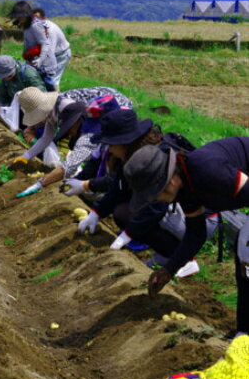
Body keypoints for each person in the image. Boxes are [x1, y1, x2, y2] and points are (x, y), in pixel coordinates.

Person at [63, 109, 218, 270]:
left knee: (131, 214)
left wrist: (126, 236)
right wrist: (96, 213)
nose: (109, 150)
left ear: (124, 142)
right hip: (176, 212)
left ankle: (183, 257)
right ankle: (168, 252)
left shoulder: (156, 156)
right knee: (124, 210)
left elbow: (157, 206)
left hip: (200, 219)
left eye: (111, 144)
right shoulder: (132, 155)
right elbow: (119, 187)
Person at [124, 136, 249, 335]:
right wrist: (168, 270)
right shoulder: (186, 188)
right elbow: (196, 234)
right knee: (246, 267)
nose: (155, 199)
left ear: (169, 180)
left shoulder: (207, 171)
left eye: (154, 193)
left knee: (247, 254)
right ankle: (244, 333)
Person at [16, 95, 121, 198]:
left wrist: (40, 183)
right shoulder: (88, 130)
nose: (68, 134)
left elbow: (68, 166)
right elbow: (90, 165)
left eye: (69, 128)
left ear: (76, 122)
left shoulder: (91, 137)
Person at [13, 86, 132, 166]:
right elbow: (46, 138)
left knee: (106, 144)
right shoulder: (50, 112)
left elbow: (85, 135)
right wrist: (26, 156)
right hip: (92, 114)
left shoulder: (65, 106)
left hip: (112, 103)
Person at [8, 1, 71, 90]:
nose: (18, 19)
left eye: (19, 16)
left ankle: (55, 100)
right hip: (44, 55)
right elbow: (29, 44)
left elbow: (48, 49)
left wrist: (40, 62)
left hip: (59, 54)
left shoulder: (40, 28)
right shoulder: (28, 25)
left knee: (52, 82)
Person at [0, 55, 46, 122]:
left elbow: (41, 95)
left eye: (8, 76)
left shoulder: (28, 75)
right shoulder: (6, 78)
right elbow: (2, 95)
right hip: (17, 106)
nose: (5, 78)